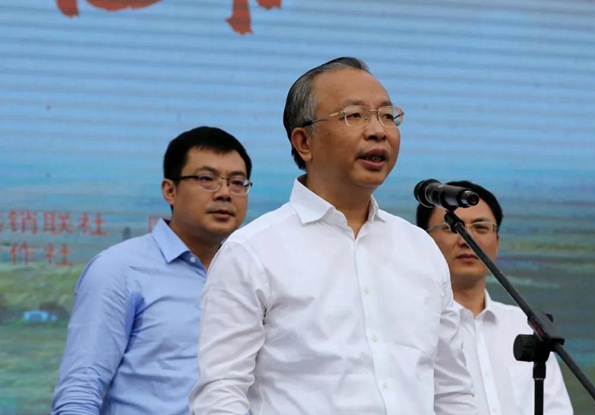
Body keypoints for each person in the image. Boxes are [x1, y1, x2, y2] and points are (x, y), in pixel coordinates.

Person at [190, 57, 477, 415]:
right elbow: (220, 392)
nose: (378, 131)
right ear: (304, 142)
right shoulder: (252, 252)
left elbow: (452, 392)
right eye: (355, 115)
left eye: (387, 116)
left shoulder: (420, 249)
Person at [51, 126, 252, 415]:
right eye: (206, 179)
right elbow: (81, 389)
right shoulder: (119, 270)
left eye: (237, 182)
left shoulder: (251, 273)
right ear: (170, 190)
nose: (224, 193)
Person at [416, 180, 573, 415]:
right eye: (451, 228)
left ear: (497, 242)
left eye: (480, 228)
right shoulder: (412, 324)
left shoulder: (527, 325)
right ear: (423, 242)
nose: (465, 239)